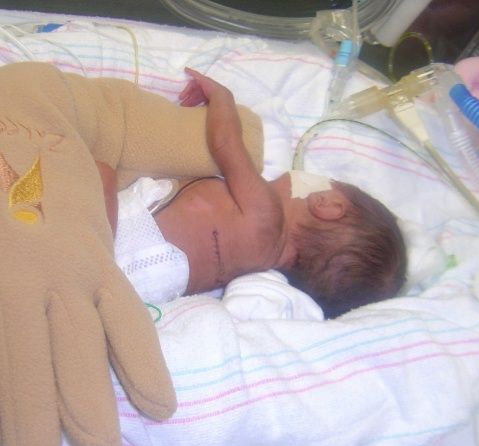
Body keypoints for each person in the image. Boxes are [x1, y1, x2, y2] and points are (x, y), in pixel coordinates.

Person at [98, 68, 407, 319]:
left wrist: (222, 97)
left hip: (123, 244)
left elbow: (226, 143)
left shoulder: (267, 213)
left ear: (328, 205)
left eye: (330, 180)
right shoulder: (259, 267)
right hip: (145, 289)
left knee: (100, 171)